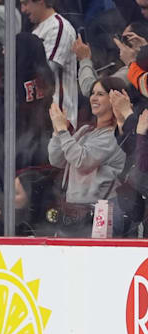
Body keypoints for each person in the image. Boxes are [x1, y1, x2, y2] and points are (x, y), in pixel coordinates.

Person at [48, 77, 128, 236]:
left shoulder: (114, 136)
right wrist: (58, 133)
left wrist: (63, 131)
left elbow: (82, 160)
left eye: (100, 94)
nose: (94, 98)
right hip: (72, 213)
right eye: (92, 93)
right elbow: (56, 159)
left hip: (99, 214)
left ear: (114, 98)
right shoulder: (85, 130)